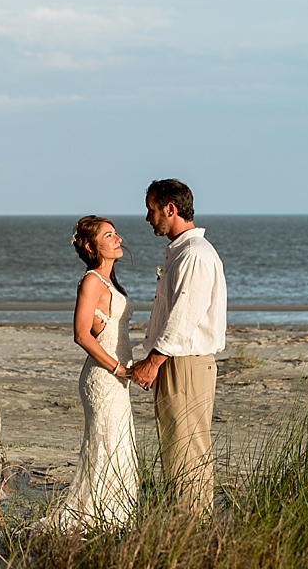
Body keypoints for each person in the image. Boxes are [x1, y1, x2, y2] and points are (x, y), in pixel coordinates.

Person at [129, 179, 227, 516]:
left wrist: (153, 363)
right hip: (178, 361)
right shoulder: (182, 252)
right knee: (176, 445)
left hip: (185, 363)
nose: (147, 218)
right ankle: (185, 521)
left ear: (171, 209)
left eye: (151, 210)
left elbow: (184, 318)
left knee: (187, 448)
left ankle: (192, 525)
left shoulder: (195, 255)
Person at [47, 215, 138, 530]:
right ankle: (96, 520)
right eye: (108, 235)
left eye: (116, 233)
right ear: (90, 246)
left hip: (119, 379)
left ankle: (114, 519)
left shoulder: (110, 282)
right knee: (104, 447)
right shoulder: (91, 281)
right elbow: (81, 333)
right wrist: (116, 367)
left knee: (119, 446)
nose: (117, 239)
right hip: (102, 378)